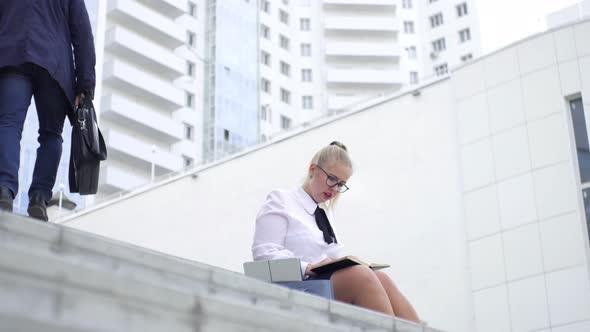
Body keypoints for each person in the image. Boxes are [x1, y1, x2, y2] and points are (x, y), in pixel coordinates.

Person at [252, 142, 420, 322]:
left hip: (321, 283)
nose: (334, 189)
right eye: (332, 179)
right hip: (294, 284)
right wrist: (307, 267)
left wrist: (336, 263)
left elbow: (328, 256)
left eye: (341, 184)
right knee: (361, 276)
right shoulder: (282, 199)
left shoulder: (324, 215)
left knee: (381, 277)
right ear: (313, 169)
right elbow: (263, 252)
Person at [0, 0, 96, 221]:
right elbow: (82, 34)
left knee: (9, 124)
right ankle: (39, 199)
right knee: (52, 134)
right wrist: (85, 85)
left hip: (14, 55)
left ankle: (4, 188)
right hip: (54, 67)